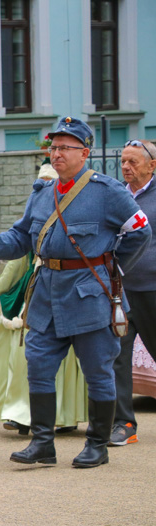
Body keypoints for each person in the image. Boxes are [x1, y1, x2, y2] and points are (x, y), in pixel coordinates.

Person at [0, 117, 151, 468]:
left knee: (98, 371)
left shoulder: (107, 191)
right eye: (53, 148)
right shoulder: (42, 193)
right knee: (37, 365)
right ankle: (42, 443)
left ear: (84, 152)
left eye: (64, 148)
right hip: (47, 295)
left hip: (89, 295)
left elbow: (140, 231)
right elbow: (21, 239)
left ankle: (97, 444)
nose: (56, 154)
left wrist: (112, 268)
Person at [0, 161, 87, 435]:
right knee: (27, 358)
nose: (41, 188)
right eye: (39, 183)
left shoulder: (78, 216)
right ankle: (22, 414)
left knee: (67, 360)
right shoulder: (35, 220)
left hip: (70, 295)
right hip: (37, 295)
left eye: (47, 182)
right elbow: (16, 263)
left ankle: (64, 416)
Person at [109, 139, 156, 447]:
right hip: (121, 292)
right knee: (117, 357)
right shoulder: (116, 196)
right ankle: (124, 423)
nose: (126, 167)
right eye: (123, 161)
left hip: (153, 289)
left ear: (152, 165)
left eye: (133, 162)